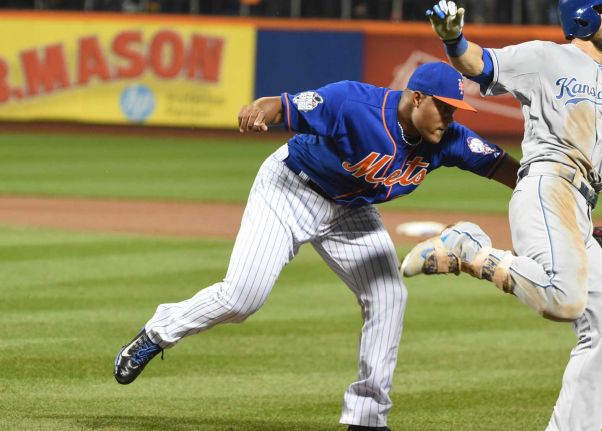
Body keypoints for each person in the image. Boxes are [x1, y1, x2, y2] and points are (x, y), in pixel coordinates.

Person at [113, 61, 519, 431]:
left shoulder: (447, 140)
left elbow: (503, 167)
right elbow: (284, 105)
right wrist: (261, 108)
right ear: (417, 98)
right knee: (242, 297)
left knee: (389, 295)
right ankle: (158, 331)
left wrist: (559, 198)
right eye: (445, 108)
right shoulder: (352, 102)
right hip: (290, 189)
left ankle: (366, 419)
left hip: (351, 211)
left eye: (454, 111)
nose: (450, 118)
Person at [401, 1, 602, 430]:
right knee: (564, 300)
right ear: (583, 17)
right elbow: (480, 65)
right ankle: (467, 247)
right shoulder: (544, 57)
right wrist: (452, 38)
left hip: (579, 209)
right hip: (546, 186)